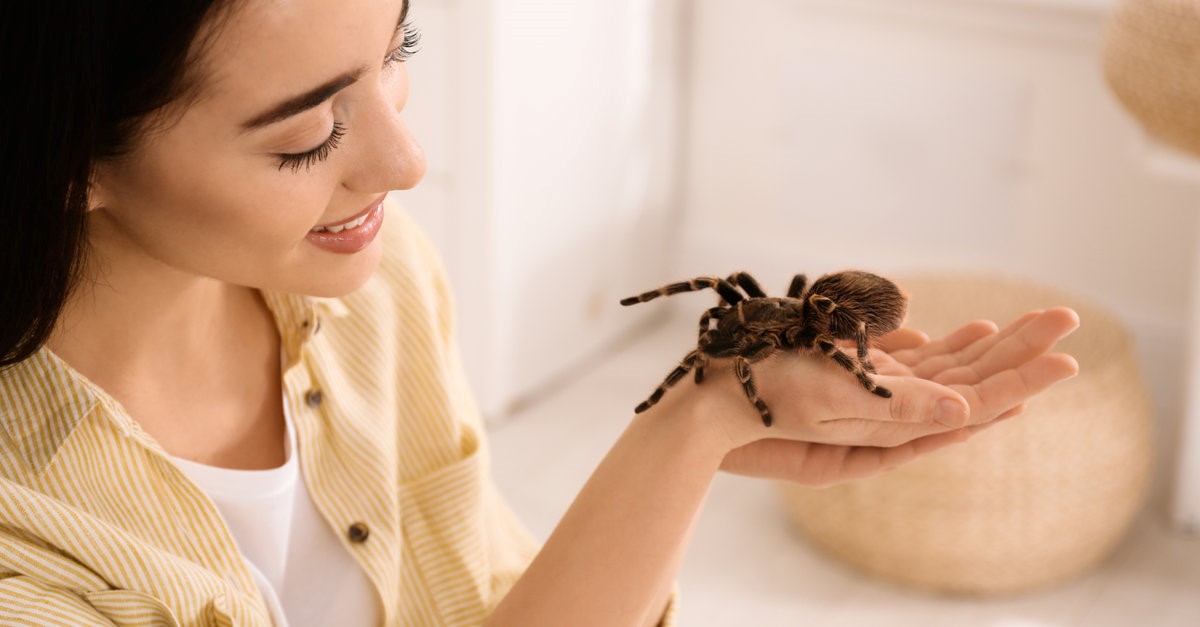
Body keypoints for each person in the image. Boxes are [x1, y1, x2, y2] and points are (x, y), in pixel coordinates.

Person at [0, 1, 1080, 625]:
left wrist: (698, 425)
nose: (407, 164)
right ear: (63, 158)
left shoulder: (373, 294)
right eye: (306, 137)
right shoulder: (26, 545)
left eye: (398, 55)